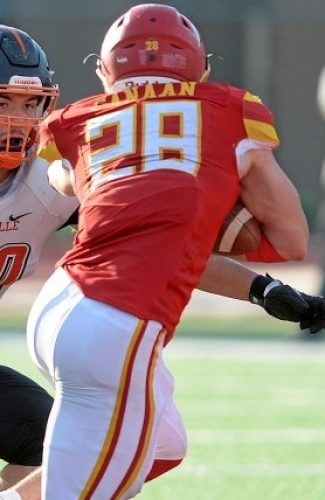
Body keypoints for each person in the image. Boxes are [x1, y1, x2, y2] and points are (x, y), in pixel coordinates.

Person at [20, 3, 325, 498]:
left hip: (60, 306)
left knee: (161, 446)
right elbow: (290, 236)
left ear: (104, 71)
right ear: (202, 68)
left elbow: (68, 185)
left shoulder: (75, 120)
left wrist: (259, 287)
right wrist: (215, 212)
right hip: (117, 325)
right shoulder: (229, 108)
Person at [0, 24, 79, 491]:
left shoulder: (52, 178)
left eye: (31, 104)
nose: (18, 119)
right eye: (3, 102)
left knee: (54, 445)